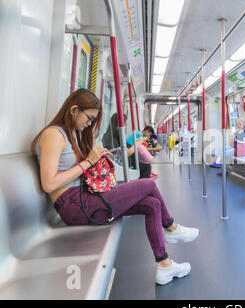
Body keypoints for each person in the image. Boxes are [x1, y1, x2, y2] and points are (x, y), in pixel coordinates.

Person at [31, 89, 199, 285]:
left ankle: (164, 265)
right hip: (73, 206)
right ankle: (171, 227)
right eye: (89, 118)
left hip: (84, 198)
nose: (89, 124)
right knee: (146, 185)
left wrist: (95, 159)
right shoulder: (53, 134)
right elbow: (48, 183)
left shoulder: (72, 135)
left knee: (152, 204)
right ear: (74, 110)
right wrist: (87, 162)